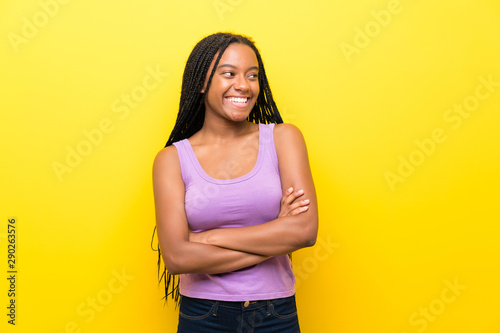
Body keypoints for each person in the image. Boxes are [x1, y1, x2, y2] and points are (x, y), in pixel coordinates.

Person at [152, 32, 318, 332]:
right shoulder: (171, 160)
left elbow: (304, 231)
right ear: (202, 83)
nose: (243, 85)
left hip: (275, 314)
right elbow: (177, 257)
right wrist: (276, 234)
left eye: (252, 76)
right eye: (229, 73)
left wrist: (206, 238)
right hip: (204, 316)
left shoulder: (283, 139)